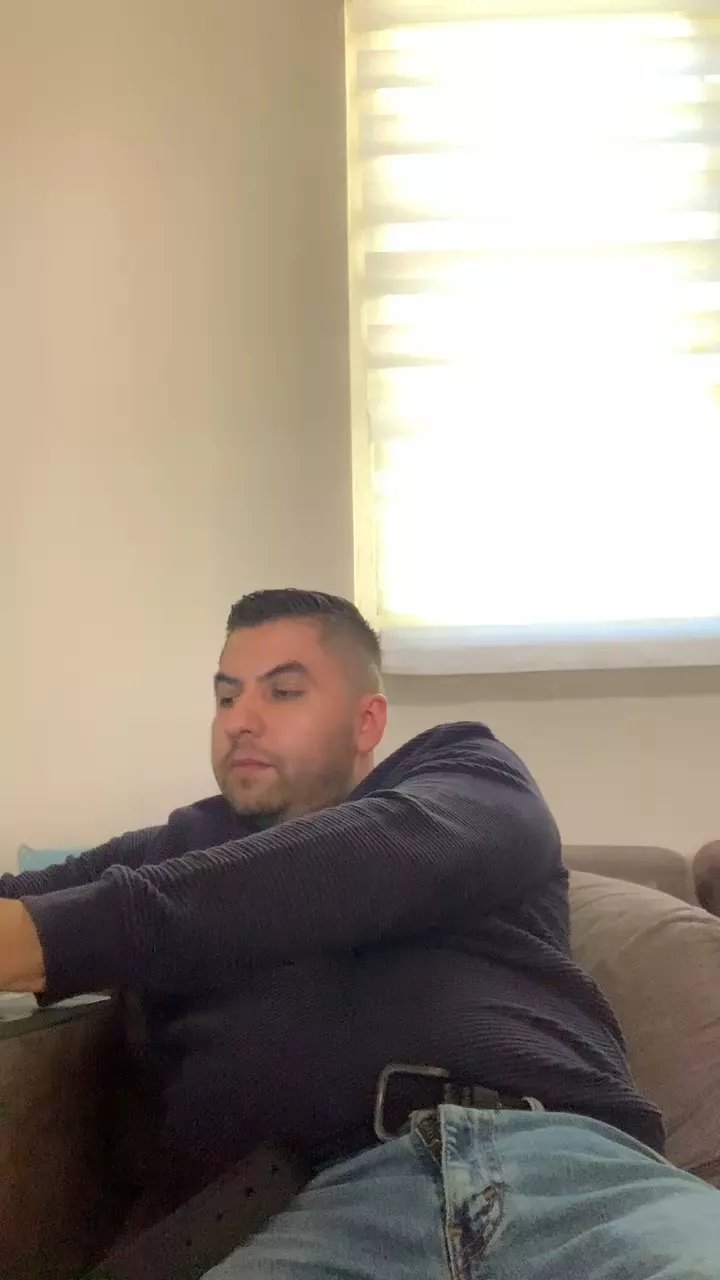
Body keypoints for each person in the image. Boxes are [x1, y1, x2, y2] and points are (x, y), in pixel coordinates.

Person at [1, 587, 719, 1279]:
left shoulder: (469, 775)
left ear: (367, 721)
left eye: (283, 692)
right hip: (305, 1211)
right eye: (226, 697)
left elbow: (347, 862)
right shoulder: (172, 852)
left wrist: (54, 936)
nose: (240, 720)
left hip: (567, 1174)